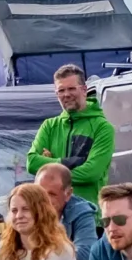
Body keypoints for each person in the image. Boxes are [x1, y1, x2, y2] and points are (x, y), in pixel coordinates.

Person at [25, 64, 114, 203]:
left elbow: (92, 173)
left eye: (72, 88)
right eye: (61, 90)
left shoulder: (102, 127)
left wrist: (49, 169)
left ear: (84, 90)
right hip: (52, 214)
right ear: (56, 94)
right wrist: (67, 162)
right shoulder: (49, 126)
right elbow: (31, 163)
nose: (66, 94)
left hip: (88, 215)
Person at [37, 161, 99, 260]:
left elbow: (86, 254)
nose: (45, 200)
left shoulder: (81, 212)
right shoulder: (23, 211)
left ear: (68, 194)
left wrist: (39, 258)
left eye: (52, 194)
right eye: (40, 193)